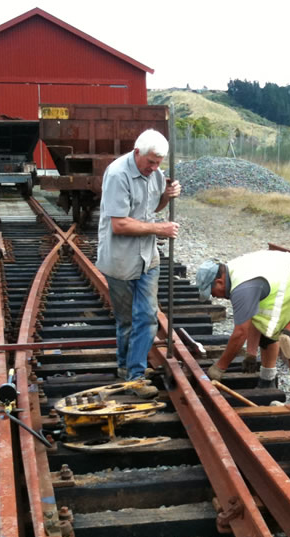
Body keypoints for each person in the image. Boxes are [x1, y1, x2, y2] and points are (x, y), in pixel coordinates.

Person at [97, 129, 181, 398]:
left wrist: (168, 195)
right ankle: (124, 366)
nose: (155, 168)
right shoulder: (117, 174)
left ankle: (135, 375)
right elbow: (120, 224)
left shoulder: (155, 174)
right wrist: (160, 230)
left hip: (148, 258)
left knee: (146, 315)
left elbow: (152, 208)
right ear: (137, 153)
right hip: (120, 258)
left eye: (159, 162)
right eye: (151, 162)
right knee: (126, 320)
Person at [195, 251, 290, 404]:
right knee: (266, 330)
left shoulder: (242, 287)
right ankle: (267, 382)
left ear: (219, 281)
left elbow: (240, 333)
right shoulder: (235, 275)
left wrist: (219, 367)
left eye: (212, 292)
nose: (214, 296)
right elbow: (255, 319)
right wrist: (251, 354)